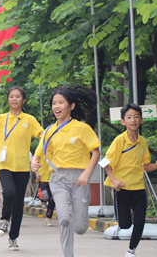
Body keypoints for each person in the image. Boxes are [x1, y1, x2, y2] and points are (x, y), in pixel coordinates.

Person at [31, 85, 101, 257]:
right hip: (59, 179)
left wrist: (86, 173)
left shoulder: (82, 128)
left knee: (80, 227)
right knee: (64, 218)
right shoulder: (49, 131)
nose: (56, 106)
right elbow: (38, 155)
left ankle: (79, 224)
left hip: (79, 179)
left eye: (61, 102)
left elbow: (96, 153)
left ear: (71, 106)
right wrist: (34, 163)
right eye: (54, 103)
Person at [0, 86, 44, 251]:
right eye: (11, 96)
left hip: (21, 167)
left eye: (18, 96)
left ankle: (13, 237)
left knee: (18, 204)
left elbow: (42, 134)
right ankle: (4, 218)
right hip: (3, 165)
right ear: (8, 100)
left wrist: (38, 154)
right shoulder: (0, 119)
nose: (14, 99)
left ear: (23, 100)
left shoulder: (29, 119)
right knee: (10, 193)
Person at [98, 103, 157, 257]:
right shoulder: (119, 141)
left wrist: (156, 166)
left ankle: (131, 250)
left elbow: (145, 166)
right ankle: (124, 226)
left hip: (139, 188)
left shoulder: (143, 142)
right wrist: (114, 181)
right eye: (129, 117)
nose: (133, 120)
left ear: (141, 120)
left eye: (136, 117)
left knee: (140, 221)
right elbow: (105, 162)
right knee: (125, 224)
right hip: (122, 188)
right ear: (123, 122)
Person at [36, 155, 55, 227]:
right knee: (44, 197)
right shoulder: (42, 148)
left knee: (52, 200)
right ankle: (42, 200)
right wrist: (36, 173)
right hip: (42, 177)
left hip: (53, 178)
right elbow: (35, 162)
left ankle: (48, 218)